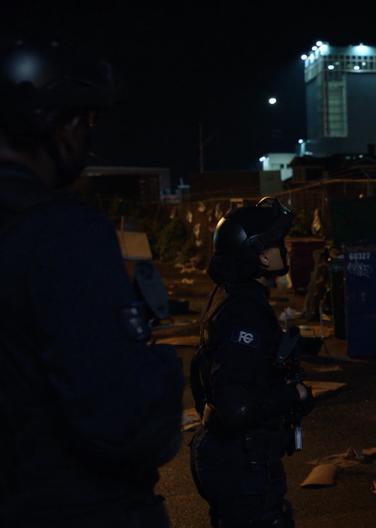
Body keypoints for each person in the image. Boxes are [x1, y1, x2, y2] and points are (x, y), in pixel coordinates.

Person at [0, 40, 184, 527]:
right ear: (54, 120)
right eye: (86, 119)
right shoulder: (59, 234)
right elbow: (127, 422)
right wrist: (161, 366)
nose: (88, 135)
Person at [190, 197, 315, 528]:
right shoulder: (244, 312)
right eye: (276, 243)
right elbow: (236, 407)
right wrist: (294, 395)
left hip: (238, 457)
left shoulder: (234, 298)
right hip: (239, 461)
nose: (283, 249)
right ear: (259, 255)